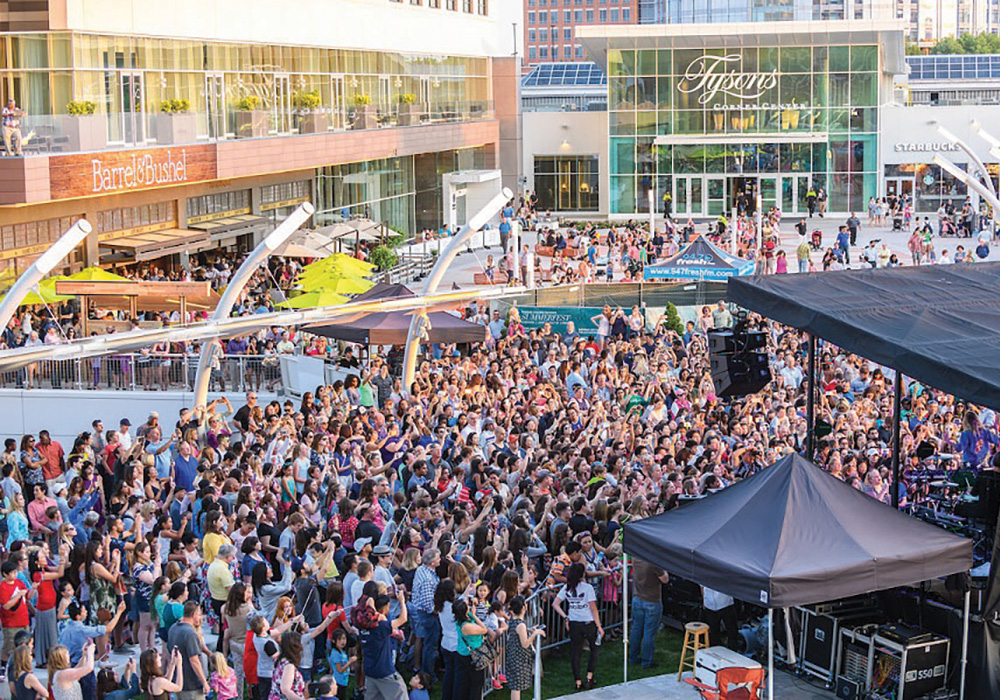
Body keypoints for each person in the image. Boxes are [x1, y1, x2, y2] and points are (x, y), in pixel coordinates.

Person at [552, 563, 603, 691]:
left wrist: (566, 617)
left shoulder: (567, 587)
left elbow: (555, 604)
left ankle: (578, 681)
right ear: (582, 574)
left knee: (576, 652)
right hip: (588, 622)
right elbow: (593, 608)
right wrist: (599, 625)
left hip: (574, 622)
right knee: (594, 649)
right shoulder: (587, 588)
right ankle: (589, 677)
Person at [359, 590, 408, 700]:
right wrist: (402, 601)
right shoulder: (381, 627)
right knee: (401, 693)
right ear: (385, 608)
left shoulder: (363, 625)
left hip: (369, 670)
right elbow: (403, 619)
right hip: (385, 672)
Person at [629, 557, 669, 669]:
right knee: (649, 632)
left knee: (636, 629)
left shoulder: (635, 558)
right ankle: (647, 662)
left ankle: (633, 657)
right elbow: (665, 579)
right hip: (652, 601)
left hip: (638, 598)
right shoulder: (654, 563)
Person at [167, 601, 211, 700]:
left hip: (178, 682)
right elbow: (194, 661)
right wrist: (204, 682)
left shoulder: (173, 628)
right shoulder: (190, 633)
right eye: (199, 614)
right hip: (192, 685)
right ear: (194, 615)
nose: (200, 617)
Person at [505, 596, 544, 700]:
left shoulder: (513, 621)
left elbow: (518, 633)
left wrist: (529, 630)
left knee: (515, 685)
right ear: (523, 608)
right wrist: (535, 633)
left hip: (513, 655)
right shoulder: (521, 625)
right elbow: (525, 644)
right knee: (516, 687)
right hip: (519, 658)